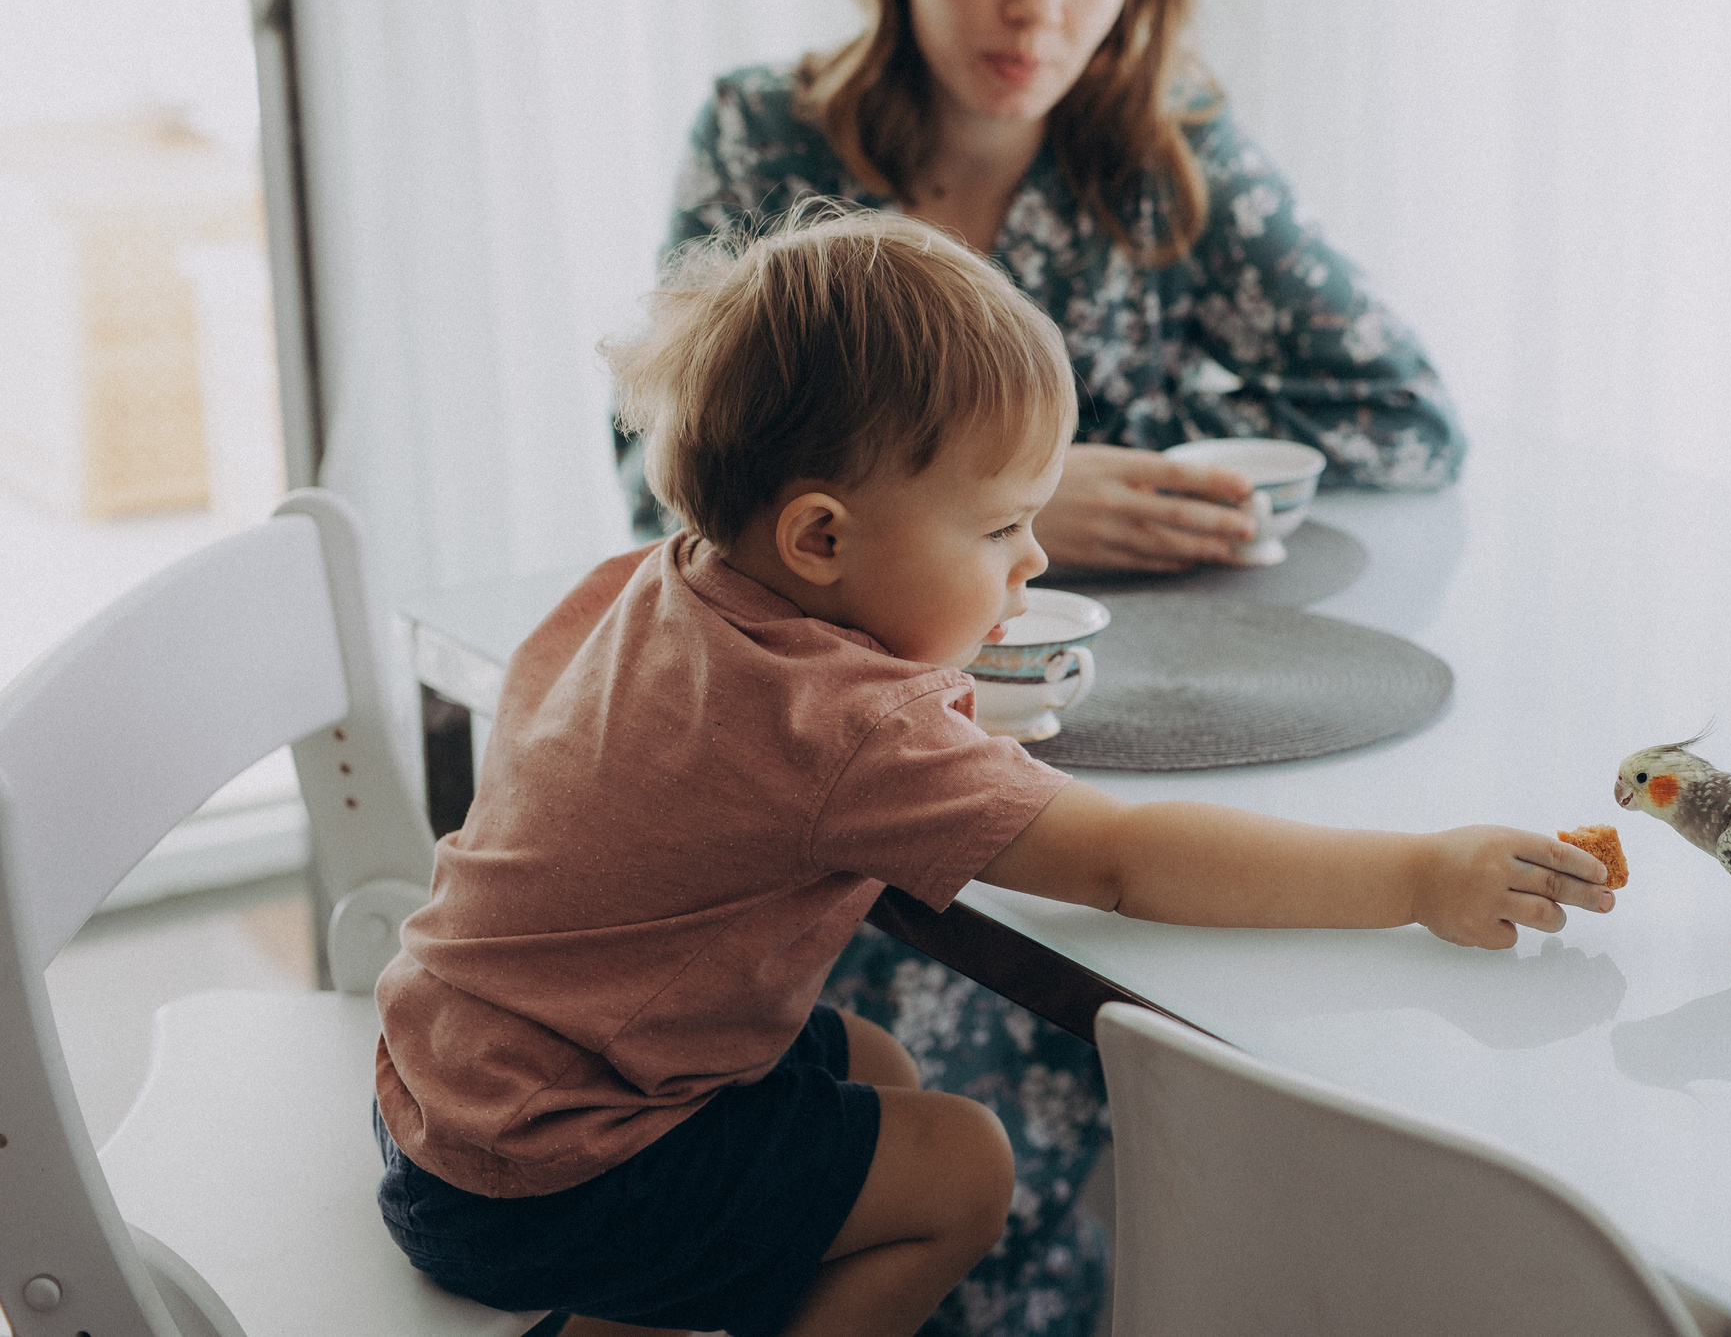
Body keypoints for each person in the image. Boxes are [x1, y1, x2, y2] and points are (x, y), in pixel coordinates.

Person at [382, 211, 1609, 1337]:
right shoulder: (842, 727)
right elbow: (1123, 864)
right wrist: (1415, 871)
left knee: (871, 1069)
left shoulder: (659, 581)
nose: (1029, 561)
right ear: (820, 538)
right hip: (551, 1169)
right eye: (998, 527)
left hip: (440, 1089)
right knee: (963, 1166)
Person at [612, 0, 1468, 1333]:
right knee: (1006, 1059)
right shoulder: (767, 140)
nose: (1039, 12)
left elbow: (1408, 421)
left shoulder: (1165, 153)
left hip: (1134, 725)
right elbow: (649, 474)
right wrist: (1026, 501)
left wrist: (1155, 479)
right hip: (843, 781)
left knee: (1245, 1040)